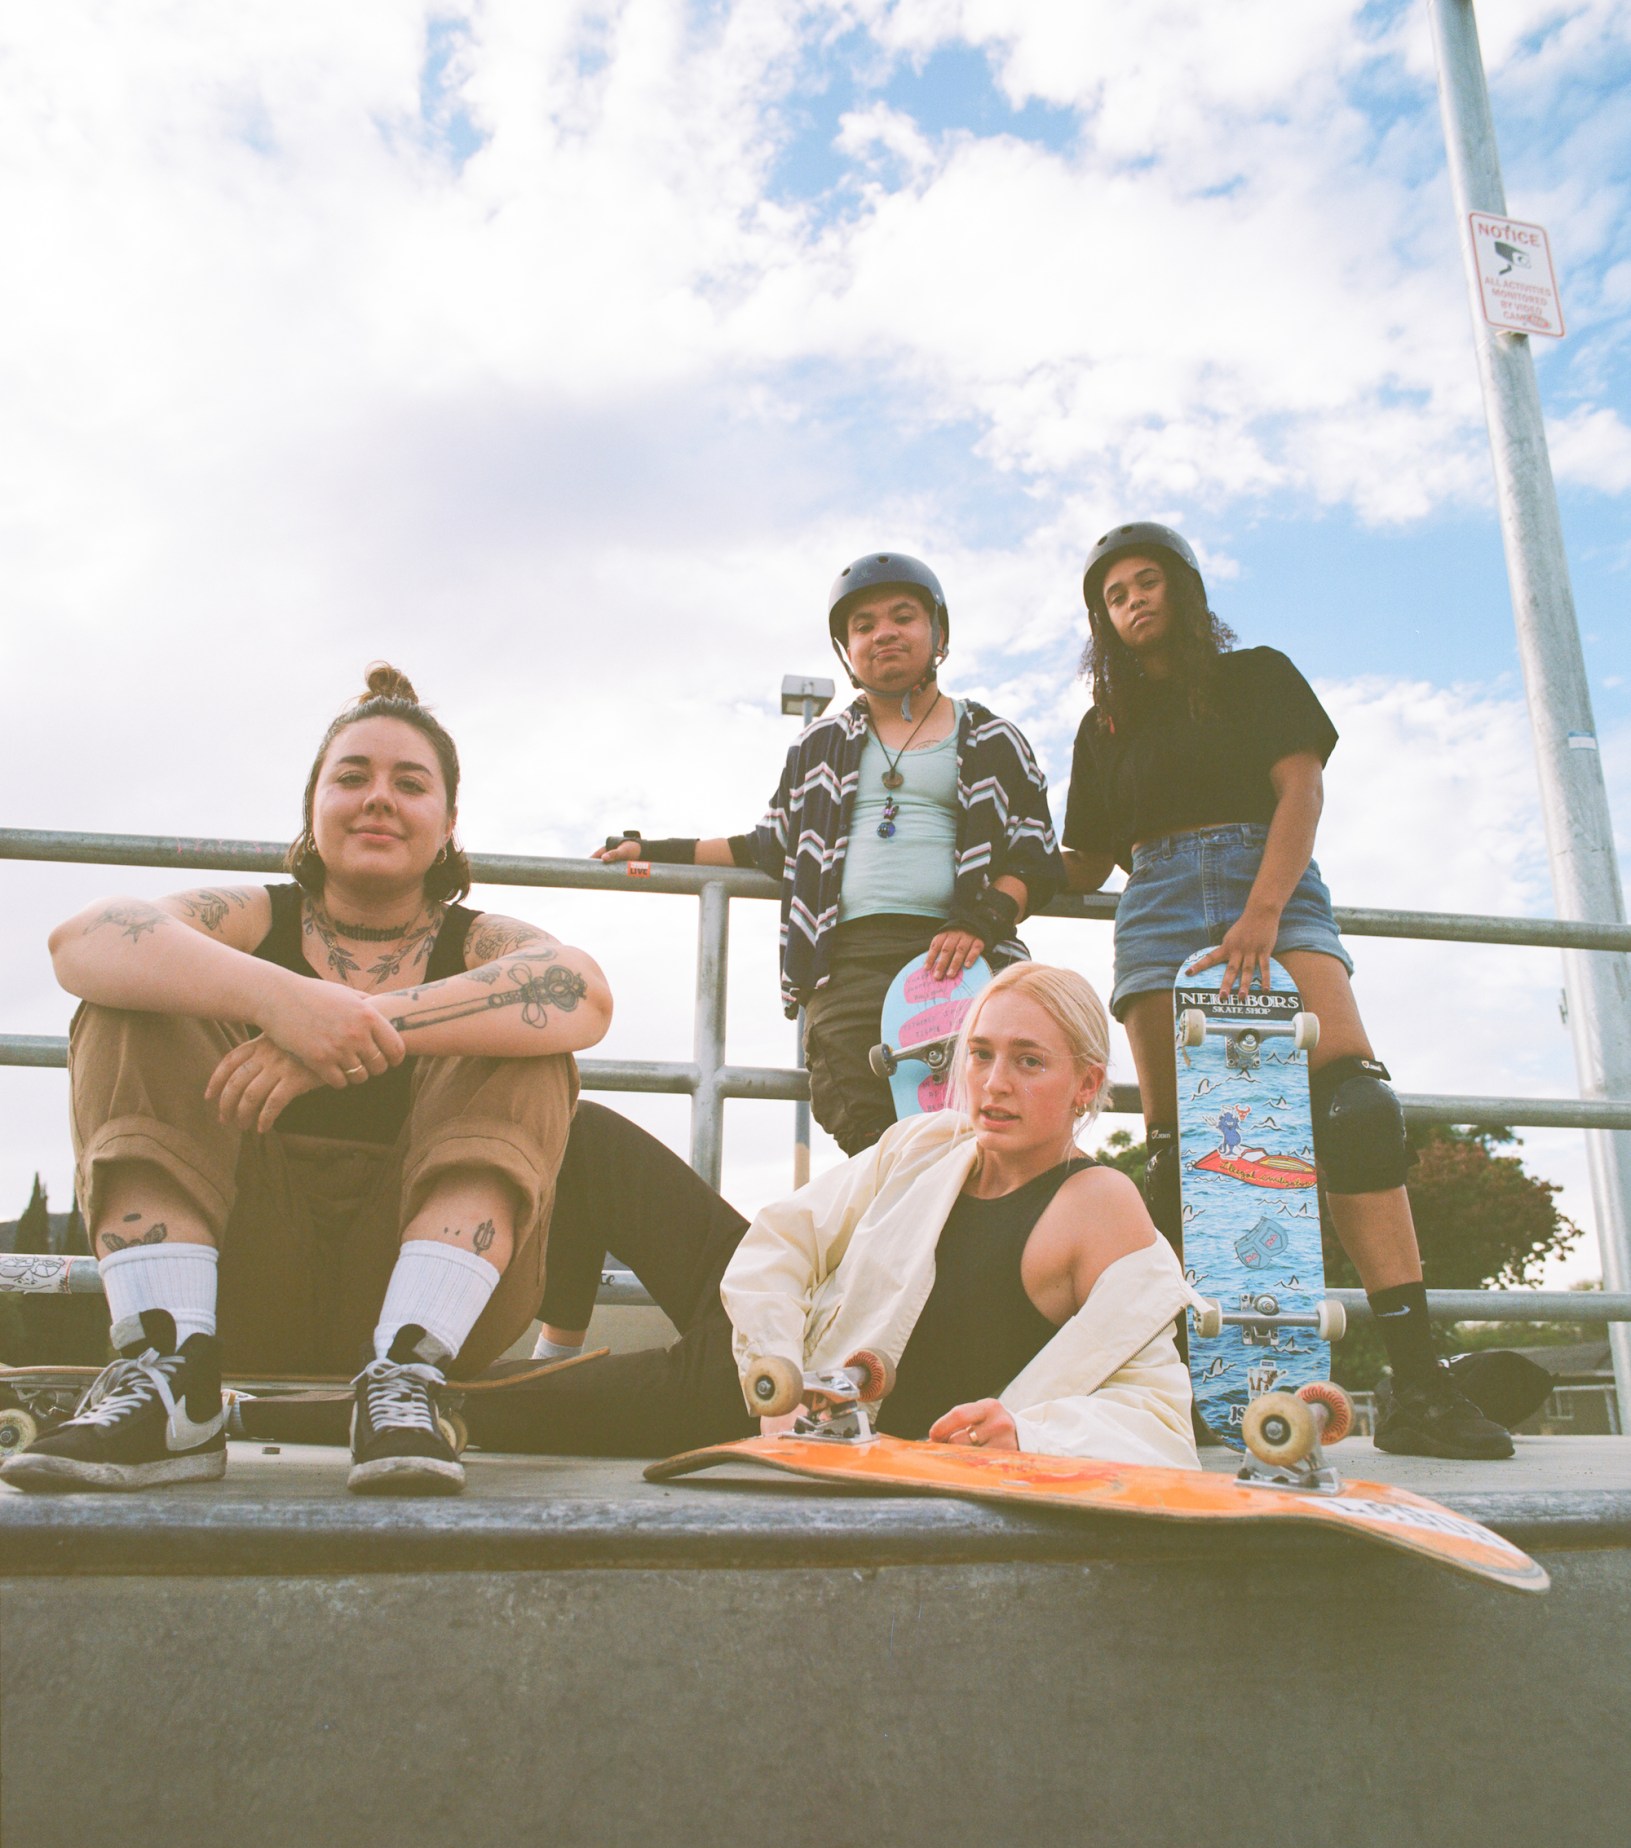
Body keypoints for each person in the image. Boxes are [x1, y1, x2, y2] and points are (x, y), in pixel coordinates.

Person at [3, 666, 611, 1497]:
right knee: (131, 995)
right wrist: (280, 1000)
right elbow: (84, 940)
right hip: (249, 1272)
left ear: (449, 822)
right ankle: (170, 1372)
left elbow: (579, 989)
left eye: (410, 783)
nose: (378, 799)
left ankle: (407, 1374)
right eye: (351, 777)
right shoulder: (255, 918)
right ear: (312, 807)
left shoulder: (482, 939)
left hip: (424, 1282)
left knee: (525, 1033)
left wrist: (362, 1023)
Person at [1060, 521, 1512, 1459]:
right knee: (1180, 1153)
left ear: (1185, 590)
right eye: (1114, 593)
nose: (1134, 600)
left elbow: (1299, 789)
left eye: (1149, 582)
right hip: (1155, 904)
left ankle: (1418, 1382)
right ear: (1101, 619)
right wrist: (990, 873)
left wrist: (1261, 912)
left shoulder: (1257, 674)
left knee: (1354, 1107)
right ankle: (1191, 1387)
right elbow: (1087, 859)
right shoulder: (1102, 727)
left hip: (1268, 876)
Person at [464, 962, 1199, 1472]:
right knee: (587, 1132)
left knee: (486, 1406)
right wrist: (774, 1365)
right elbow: (784, 1236)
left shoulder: (1096, 1204)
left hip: (760, 1400)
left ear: (1087, 1084)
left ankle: (384, 1396)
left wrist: (1026, 1432)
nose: (992, 1083)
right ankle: (554, 1352)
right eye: (978, 1054)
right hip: (778, 1351)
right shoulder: (932, 1140)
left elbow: (1159, 1415)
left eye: (1028, 1061)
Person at [596, 553, 1065, 1156]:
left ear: (938, 633)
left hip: (962, 952)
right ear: (847, 649)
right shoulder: (818, 744)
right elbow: (768, 845)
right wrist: (656, 848)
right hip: (845, 959)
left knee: (981, 1127)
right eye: (864, 626)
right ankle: (896, 1247)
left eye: (903, 617)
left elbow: (1033, 856)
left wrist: (983, 920)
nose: (884, 633)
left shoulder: (993, 738)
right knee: (866, 1127)